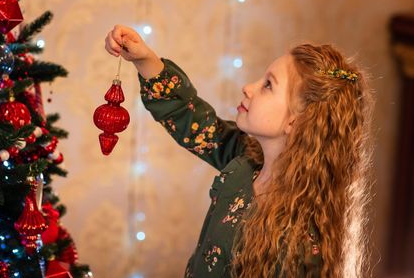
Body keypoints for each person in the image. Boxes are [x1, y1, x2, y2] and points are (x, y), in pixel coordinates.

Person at [104, 25, 373, 277]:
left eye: (268, 85)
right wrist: (143, 58)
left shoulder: (304, 240)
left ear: (296, 120)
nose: (248, 87)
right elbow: (190, 119)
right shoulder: (245, 160)